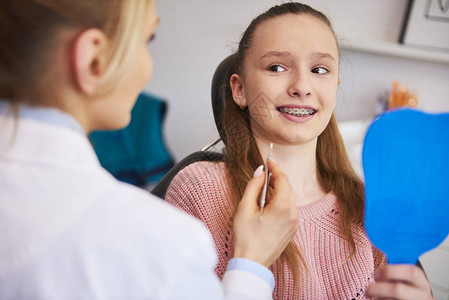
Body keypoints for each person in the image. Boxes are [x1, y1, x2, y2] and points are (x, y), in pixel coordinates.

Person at [0, 0, 300, 299]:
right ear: (94, 58)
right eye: (147, 40)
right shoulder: (160, 242)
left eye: (321, 69)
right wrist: (252, 266)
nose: (302, 87)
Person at [165, 2, 434, 299]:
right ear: (239, 89)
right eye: (277, 67)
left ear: (335, 88)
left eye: (320, 70)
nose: (302, 86)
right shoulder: (199, 189)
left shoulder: (368, 208)